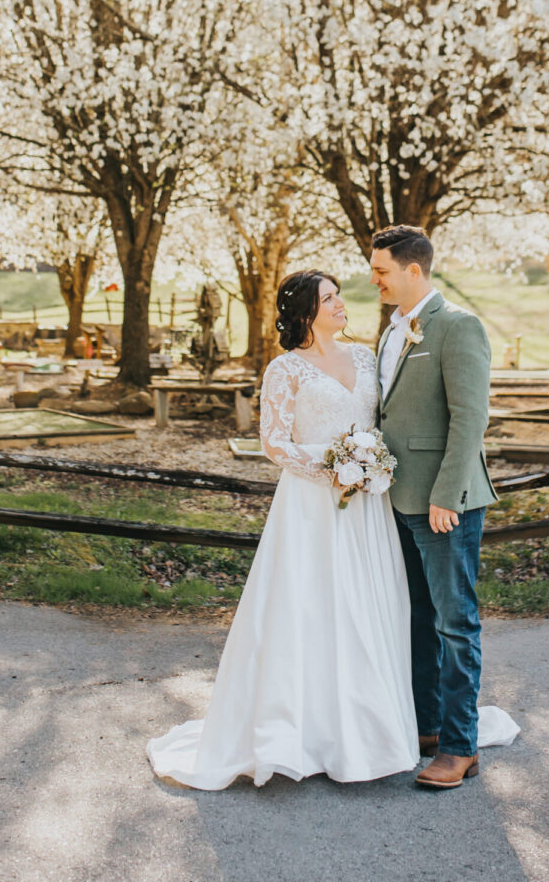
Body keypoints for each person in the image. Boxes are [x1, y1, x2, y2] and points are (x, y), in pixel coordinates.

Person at [146, 270, 419, 787]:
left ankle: (370, 729)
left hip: (366, 505)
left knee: (366, 604)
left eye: (339, 296)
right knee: (308, 606)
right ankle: (299, 731)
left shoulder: (365, 358)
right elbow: (274, 443)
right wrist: (334, 471)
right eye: (330, 298)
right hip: (311, 504)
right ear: (305, 313)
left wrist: (368, 469)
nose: (341, 304)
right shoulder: (285, 369)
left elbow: (382, 427)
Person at [371, 223, 515, 789]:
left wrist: (445, 496)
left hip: (442, 504)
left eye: (382, 270)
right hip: (396, 498)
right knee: (417, 619)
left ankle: (460, 747)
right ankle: (428, 725)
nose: (375, 279)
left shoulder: (458, 327)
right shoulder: (391, 331)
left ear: (414, 270)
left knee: (456, 624)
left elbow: (470, 419)